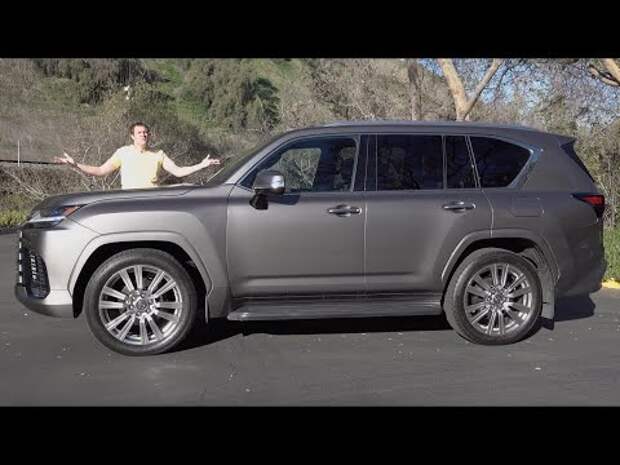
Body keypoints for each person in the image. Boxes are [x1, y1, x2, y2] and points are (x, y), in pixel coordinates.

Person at [54, 122, 221, 189]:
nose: (143, 134)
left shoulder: (158, 154)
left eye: (146, 132)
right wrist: (75, 164)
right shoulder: (123, 152)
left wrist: (202, 165)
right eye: (139, 132)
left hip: (153, 201)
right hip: (129, 201)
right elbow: (100, 171)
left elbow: (178, 171)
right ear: (132, 136)